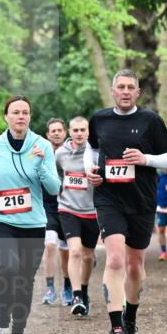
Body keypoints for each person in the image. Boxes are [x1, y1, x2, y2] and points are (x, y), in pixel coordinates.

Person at [86, 69, 167, 334]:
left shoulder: (150, 121)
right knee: (114, 260)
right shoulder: (99, 119)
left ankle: (130, 320)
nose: (125, 92)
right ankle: (116, 329)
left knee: (135, 265)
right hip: (108, 198)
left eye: (130, 88)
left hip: (142, 200)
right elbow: (91, 151)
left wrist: (145, 159)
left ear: (137, 93)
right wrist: (90, 171)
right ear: (112, 91)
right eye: (120, 87)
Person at [0, 96, 61, 334]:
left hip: (33, 223)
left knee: (24, 280)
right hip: (1, 219)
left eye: (25, 112)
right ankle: (1, 328)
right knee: (9, 267)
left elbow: (54, 188)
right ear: (6, 117)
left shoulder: (42, 145)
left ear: (30, 117)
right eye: (15, 112)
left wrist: (40, 165)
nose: (20, 116)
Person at [55, 116, 100, 317]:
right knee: (74, 251)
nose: (79, 133)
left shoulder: (95, 154)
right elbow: (56, 173)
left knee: (88, 256)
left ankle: (84, 288)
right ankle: (76, 296)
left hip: (91, 211)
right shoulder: (60, 153)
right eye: (75, 130)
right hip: (67, 208)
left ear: (88, 132)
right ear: (69, 132)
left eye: (83, 130)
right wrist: (57, 187)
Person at [40, 119, 73, 305]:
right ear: (47, 134)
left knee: (66, 251)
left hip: (69, 205)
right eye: (53, 130)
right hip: (48, 206)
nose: (56, 133)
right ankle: (50, 288)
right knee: (50, 244)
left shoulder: (74, 152)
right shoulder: (38, 152)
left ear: (65, 132)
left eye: (60, 130)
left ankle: (68, 287)